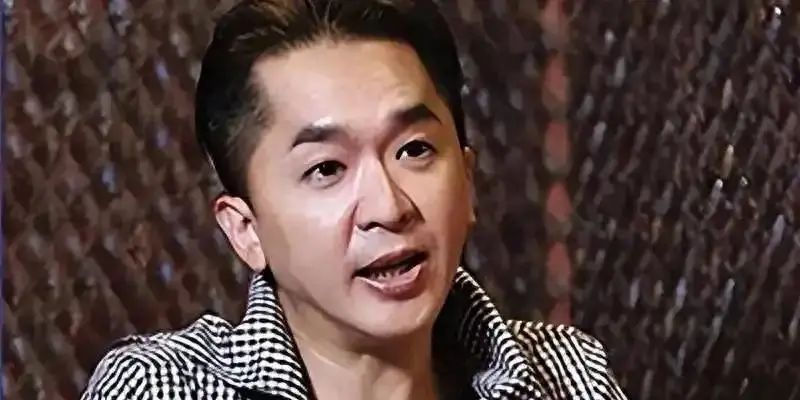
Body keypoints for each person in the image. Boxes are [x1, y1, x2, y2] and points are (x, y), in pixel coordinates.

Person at [81, 1, 627, 399]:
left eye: (414, 150)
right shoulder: (165, 387)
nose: (388, 208)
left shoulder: (566, 376)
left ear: (467, 179)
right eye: (326, 169)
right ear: (246, 230)